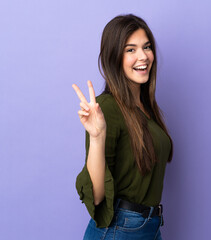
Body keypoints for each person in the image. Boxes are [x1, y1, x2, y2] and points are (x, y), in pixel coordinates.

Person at [72, 14, 173, 240]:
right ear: (114, 57)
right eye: (131, 49)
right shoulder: (107, 108)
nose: (143, 56)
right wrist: (97, 137)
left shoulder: (146, 109)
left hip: (150, 227)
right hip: (121, 229)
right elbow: (97, 197)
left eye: (146, 47)